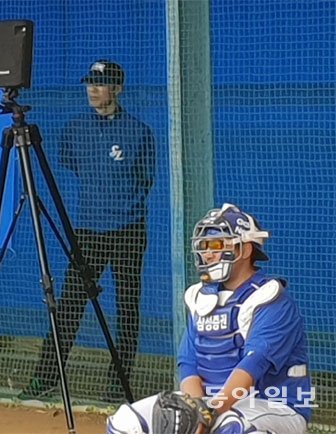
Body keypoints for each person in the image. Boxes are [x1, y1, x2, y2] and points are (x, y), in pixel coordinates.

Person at [106, 203, 312, 434]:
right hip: (213, 404)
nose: (208, 254)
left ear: (244, 250)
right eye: (203, 246)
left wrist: (206, 416)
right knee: (127, 422)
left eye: (216, 245)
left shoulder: (271, 298)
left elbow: (251, 368)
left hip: (277, 405)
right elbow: (189, 364)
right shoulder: (201, 297)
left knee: (229, 427)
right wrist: (196, 409)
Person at [20, 60, 156, 403]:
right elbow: (73, 163)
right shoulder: (75, 129)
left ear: (118, 88)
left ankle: (118, 382)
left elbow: (145, 179)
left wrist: (119, 203)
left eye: (102, 83)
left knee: (127, 307)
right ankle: (46, 377)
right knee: (68, 307)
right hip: (89, 231)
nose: (93, 90)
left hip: (128, 230)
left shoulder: (139, 132)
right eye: (90, 84)